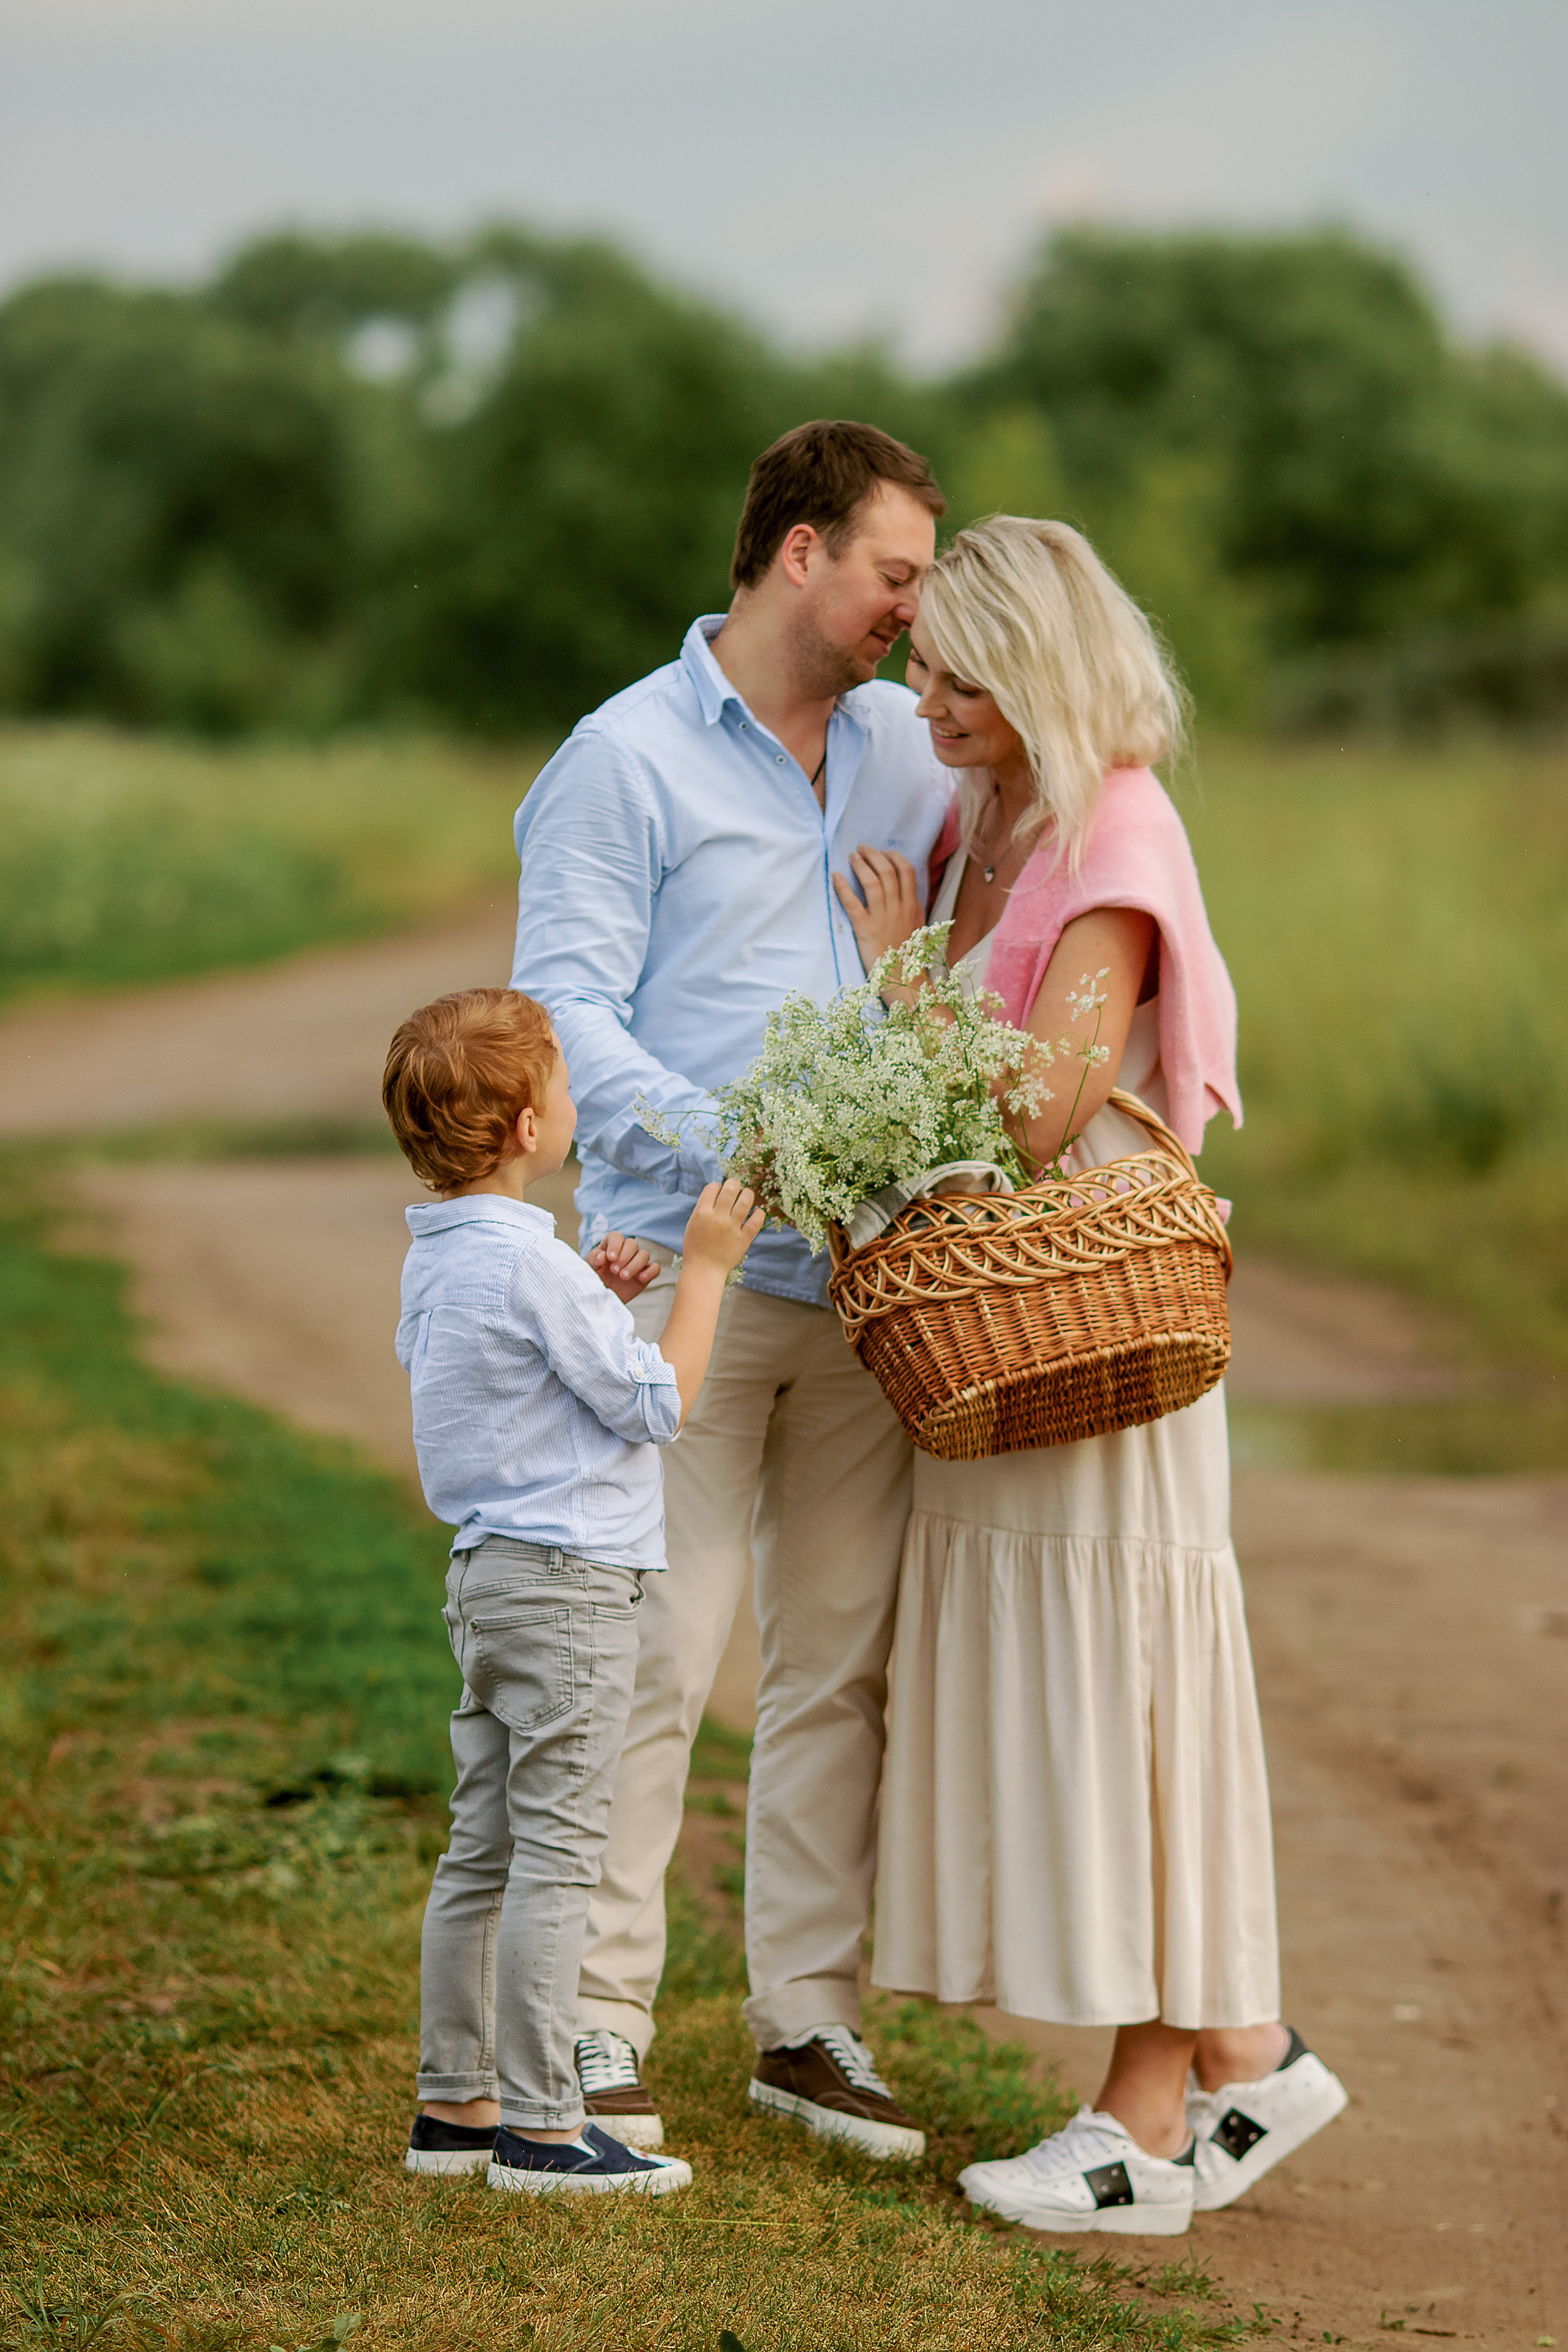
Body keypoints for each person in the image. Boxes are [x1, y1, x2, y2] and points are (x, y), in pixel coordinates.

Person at [835, 516, 1348, 2236]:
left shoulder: (1114, 825)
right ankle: (1200, 2082)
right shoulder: (987, 819)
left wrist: (902, 977)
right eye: (920, 667)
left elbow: (1044, 1105)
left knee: (1123, 1704)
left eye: (956, 675)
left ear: (1036, 670)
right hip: (1016, 1327)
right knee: (1092, 1705)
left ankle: (1190, 2088)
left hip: (1090, 1332)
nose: (925, 699)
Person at [510, 420, 952, 2160]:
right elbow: (561, 1008)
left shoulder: (915, 748)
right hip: (681, 1274)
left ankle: (806, 2024)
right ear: (799, 554)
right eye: (895, 576)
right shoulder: (622, 761)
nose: (912, 615)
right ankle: (593, 2024)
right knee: (657, 1643)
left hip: (877, 1288)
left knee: (838, 1656)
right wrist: (744, 1145)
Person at [382, 985, 763, 2194]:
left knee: (482, 1851)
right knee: (557, 1854)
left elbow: (501, 1384)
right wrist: (698, 1275)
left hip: (488, 1580)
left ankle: (456, 2104)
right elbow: (655, 1406)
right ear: (525, 1134)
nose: (570, 1103)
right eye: (560, 1086)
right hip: (571, 1591)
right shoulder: (531, 1266)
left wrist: (590, 1301)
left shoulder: (439, 1258)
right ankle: (546, 2128)